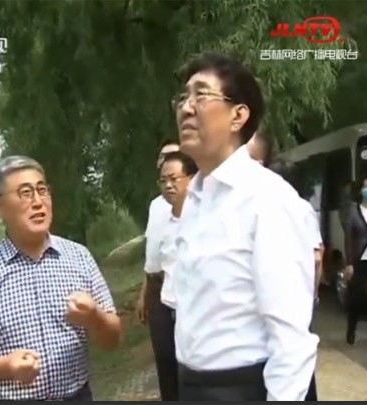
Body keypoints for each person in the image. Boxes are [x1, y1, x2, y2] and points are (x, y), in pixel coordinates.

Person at [171, 52, 318, 401]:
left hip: (245, 388)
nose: (186, 108)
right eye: (183, 97)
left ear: (238, 115)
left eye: (201, 95)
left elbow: (292, 340)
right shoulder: (196, 199)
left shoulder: (267, 200)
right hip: (194, 387)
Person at [0, 156, 121, 401]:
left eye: (42, 190)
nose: (38, 202)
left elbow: (113, 340)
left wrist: (94, 317)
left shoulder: (79, 257)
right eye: (25, 193)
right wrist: (5, 367)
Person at [267, 157, 324, 402]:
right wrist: (313, 294)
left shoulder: (278, 208)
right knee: (297, 355)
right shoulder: (300, 208)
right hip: (296, 294)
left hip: (283, 295)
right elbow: (316, 256)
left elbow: (316, 257)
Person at [142, 151, 198, 401]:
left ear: (192, 178)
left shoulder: (205, 220)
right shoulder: (163, 221)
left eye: (174, 179)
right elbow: (154, 265)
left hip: (196, 313)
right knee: (169, 373)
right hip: (169, 309)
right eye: (163, 180)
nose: (168, 185)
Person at [136, 138, 179, 325]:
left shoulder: (189, 202)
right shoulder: (155, 205)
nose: (167, 160)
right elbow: (152, 257)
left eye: (173, 156)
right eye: (163, 156)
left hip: (177, 285)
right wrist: (143, 295)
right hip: (155, 288)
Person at [344, 177, 367, 356]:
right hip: (358, 260)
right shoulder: (354, 212)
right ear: (361, 191)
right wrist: (349, 263)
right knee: (355, 298)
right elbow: (349, 238)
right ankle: (351, 330)